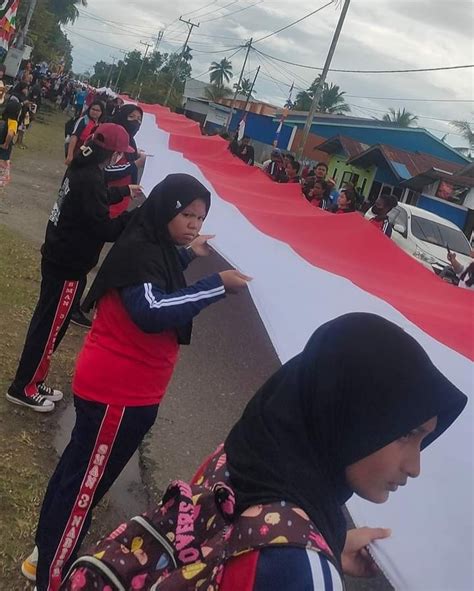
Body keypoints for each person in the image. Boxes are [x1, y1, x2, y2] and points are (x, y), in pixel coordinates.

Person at [60, 313, 467, 591]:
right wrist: (308, 560)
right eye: (406, 434)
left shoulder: (241, 455)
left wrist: (328, 541)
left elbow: (227, 538)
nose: (414, 466)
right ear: (353, 414)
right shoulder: (299, 569)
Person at [23, 173, 252, 590]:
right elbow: (151, 308)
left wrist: (189, 256)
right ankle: (51, 577)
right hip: (117, 394)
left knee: (79, 477)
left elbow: (156, 277)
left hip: (128, 393)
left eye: (200, 219)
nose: (194, 226)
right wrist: (215, 285)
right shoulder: (140, 250)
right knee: (83, 488)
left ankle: (46, 551)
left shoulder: (152, 246)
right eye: (187, 215)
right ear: (166, 208)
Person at [6, 123, 141, 413]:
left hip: (60, 257)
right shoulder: (91, 178)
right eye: (119, 154)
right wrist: (135, 217)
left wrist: (122, 192)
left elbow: (95, 201)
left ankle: (36, 377)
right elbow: (104, 227)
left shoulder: (83, 166)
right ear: (111, 153)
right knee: (49, 328)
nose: (120, 159)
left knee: (54, 324)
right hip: (68, 263)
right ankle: (23, 387)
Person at [104, 104, 146, 217]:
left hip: (121, 201)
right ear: (122, 116)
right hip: (105, 200)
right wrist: (135, 164)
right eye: (131, 117)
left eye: (139, 120)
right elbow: (104, 171)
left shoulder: (130, 141)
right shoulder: (110, 139)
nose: (135, 123)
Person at [65, 100, 105, 165]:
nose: (94, 112)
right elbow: (74, 136)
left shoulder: (101, 125)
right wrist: (70, 155)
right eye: (93, 109)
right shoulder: (83, 120)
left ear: (102, 112)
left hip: (89, 155)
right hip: (78, 151)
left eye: (97, 110)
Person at [0, 100, 21, 188]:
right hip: (4, 151)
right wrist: (6, 144)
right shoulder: (13, 122)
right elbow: (10, 133)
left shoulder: (2, 118)